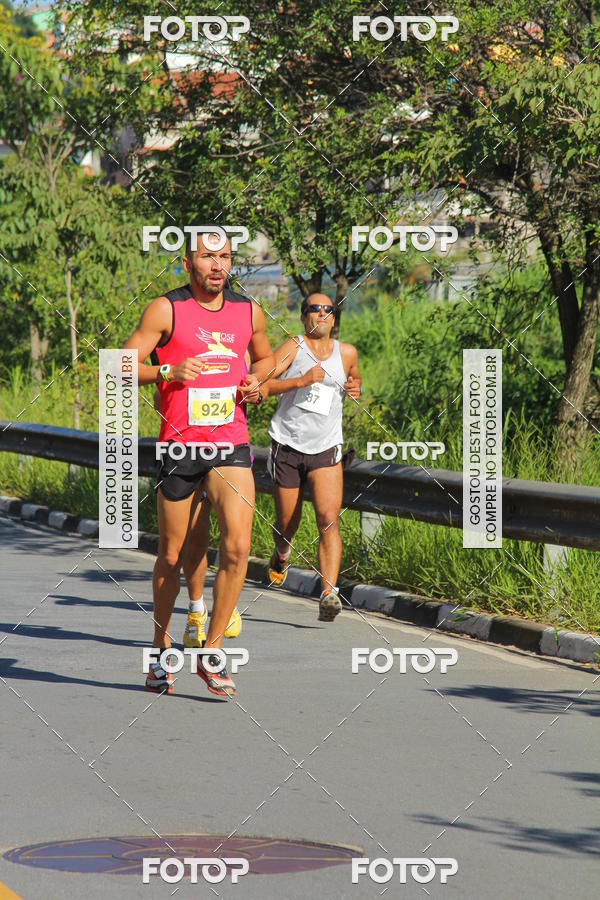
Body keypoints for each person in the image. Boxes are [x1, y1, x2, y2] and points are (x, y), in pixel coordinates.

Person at [125, 228, 274, 697]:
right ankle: (160, 648)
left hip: (230, 442)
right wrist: (167, 369)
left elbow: (266, 360)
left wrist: (258, 382)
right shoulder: (166, 309)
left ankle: (211, 651)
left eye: (225, 257)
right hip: (179, 447)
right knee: (170, 556)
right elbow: (120, 365)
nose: (218, 266)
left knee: (236, 548)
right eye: (208, 258)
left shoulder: (249, 310)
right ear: (188, 263)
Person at [262, 293, 362, 621]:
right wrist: (301, 381)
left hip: (326, 448)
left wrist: (355, 387)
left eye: (327, 309)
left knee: (328, 519)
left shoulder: (346, 353)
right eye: (314, 308)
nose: (321, 313)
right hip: (288, 445)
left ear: (334, 317)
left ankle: (328, 594)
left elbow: (354, 378)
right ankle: (282, 552)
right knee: (287, 523)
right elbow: (263, 383)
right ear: (304, 316)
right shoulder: (293, 346)